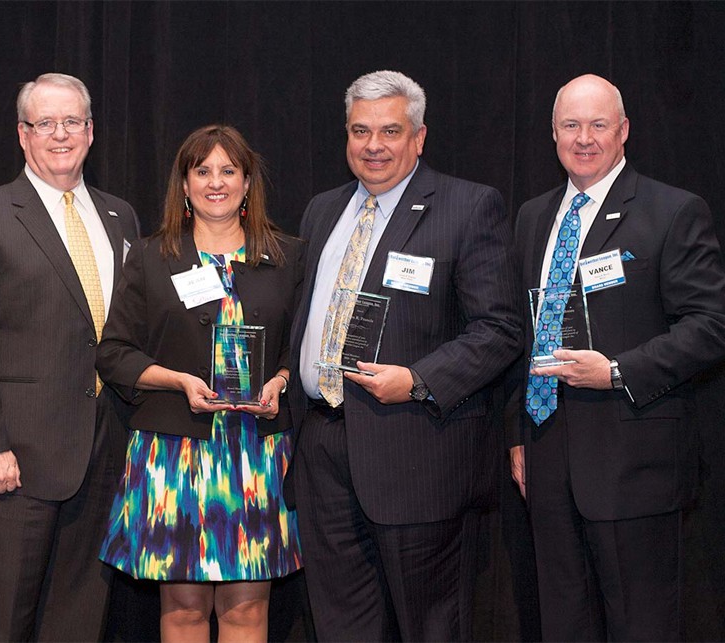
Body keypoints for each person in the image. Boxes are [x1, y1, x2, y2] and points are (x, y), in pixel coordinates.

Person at [288, 70, 522, 641]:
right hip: (323, 447)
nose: (373, 146)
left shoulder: (468, 206)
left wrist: (418, 379)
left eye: (390, 131)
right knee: (340, 625)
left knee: (432, 627)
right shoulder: (323, 210)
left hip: (416, 451)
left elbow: (501, 328)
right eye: (360, 131)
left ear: (419, 137)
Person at [509, 73, 725, 641]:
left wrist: (617, 372)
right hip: (548, 457)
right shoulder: (534, 217)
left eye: (598, 125)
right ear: (553, 134)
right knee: (562, 624)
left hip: (634, 462)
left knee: (641, 626)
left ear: (624, 131)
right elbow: (524, 330)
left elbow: (711, 325)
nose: (584, 138)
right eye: (571, 126)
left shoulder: (672, 211)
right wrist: (518, 433)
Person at [0, 72, 140, 642]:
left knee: (77, 618)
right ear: (22, 135)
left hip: (103, 450)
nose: (59, 134)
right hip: (15, 457)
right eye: (44, 123)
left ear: (91, 132)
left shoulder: (121, 216)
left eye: (71, 121)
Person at [96, 124, 303, 643]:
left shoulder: (288, 257)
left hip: (255, 455)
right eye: (202, 171)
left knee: (248, 610)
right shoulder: (150, 257)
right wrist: (177, 380)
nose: (216, 182)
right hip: (174, 456)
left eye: (228, 171)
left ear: (248, 182)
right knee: (184, 609)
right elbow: (114, 353)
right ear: (184, 185)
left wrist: (279, 380)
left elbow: (299, 349)